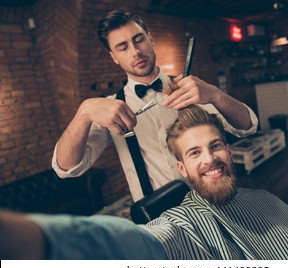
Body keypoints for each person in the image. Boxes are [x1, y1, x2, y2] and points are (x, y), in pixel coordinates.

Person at [1, 106, 288, 260]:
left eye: (216, 146)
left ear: (230, 151)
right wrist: (36, 239)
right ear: (182, 166)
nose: (209, 158)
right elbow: (140, 243)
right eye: (195, 153)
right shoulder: (183, 225)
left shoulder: (263, 197)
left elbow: (247, 124)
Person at [52, 10, 258, 201]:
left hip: (212, 199)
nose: (135, 52)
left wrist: (216, 95)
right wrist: (83, 112)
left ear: (150, 39)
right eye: (123, 47)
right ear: (114, 57)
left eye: (138, 39)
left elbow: (247, 126)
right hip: (159, 217)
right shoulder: (111, 109)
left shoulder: (190, 88)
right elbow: (66, 168)